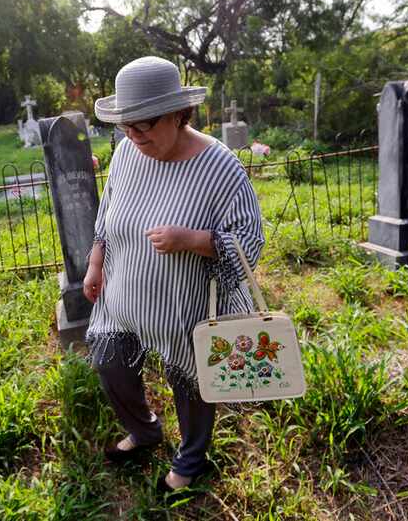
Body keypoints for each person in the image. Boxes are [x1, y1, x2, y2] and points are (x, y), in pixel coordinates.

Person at [84, 56, 264, 496]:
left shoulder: (220, 168)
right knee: (110, 363)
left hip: (186, 303)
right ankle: (145, 431)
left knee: (191, 380)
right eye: (127, 124)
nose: (135, 134)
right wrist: (95, 260)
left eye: (146, 123)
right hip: (123, 291)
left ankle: (191, 459)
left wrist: (194, 239)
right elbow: (109, 209)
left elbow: (249, 242)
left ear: (180, 114)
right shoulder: (129, 151)